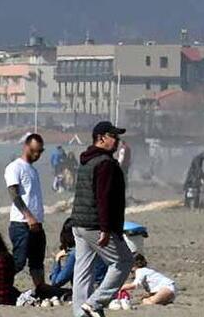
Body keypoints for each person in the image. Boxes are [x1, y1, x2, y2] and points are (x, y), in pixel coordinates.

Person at [71, 121, 134, 317]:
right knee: (123, 261)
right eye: (113, 136)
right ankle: (94, 303)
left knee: (83, 272)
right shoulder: (105, 163)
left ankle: (80, 314)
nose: (117, 141)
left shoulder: (87, 160)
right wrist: (106, 228)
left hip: (79, 223)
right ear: (101, 138)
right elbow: (104, 197)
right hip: (96, 224)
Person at [5, 133, 48, 293]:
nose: (37, 155)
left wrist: (37, 219)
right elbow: (14, 194)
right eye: (34, 151)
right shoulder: (15, 167)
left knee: (37, 261)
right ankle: (1, 285)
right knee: (19, 260)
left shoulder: (33, 170)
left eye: (40, 152)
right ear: (26, 147)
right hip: (21, 223)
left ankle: (41, 289)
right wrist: (28, 216)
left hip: (37, 223)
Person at [51, 218, 106, 289]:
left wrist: (57, 259)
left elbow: (56, 282)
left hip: (89, 290)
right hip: (103, 288)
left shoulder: (75, 254)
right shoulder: (97, 246)